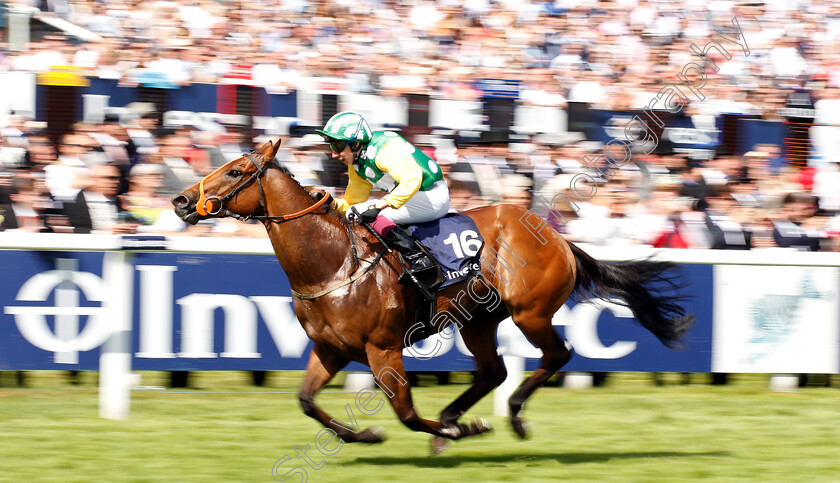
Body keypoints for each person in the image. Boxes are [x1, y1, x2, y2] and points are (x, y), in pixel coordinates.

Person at [315, 111, 450, 282]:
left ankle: (420, 259)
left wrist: (380, 206)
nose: (334, 154)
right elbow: (352, 204)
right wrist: (331, 203)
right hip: (415, 198)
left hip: (433, 196)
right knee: (354, 212)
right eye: (331, 147)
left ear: (356, 144)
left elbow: (412, 179)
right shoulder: (357, 164)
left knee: (369, 212)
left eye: (337, 146)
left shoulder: (385, 149)